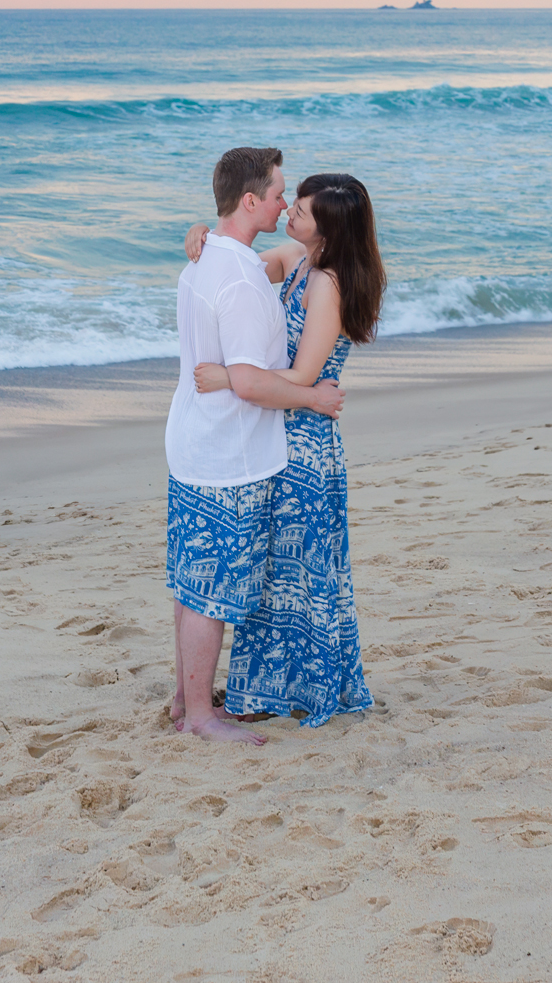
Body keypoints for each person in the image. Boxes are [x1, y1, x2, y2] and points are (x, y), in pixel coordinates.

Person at [184, 172, 384, 727]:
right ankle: (270, 690)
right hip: (285, 429)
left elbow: (304, 374)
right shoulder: (301, 258)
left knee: (293, 570)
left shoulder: (329, 284)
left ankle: (293, 690)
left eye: (301, 209)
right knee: (277, 570)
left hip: (303, 441)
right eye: (290, 203)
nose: (290, 212)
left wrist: (231, 377)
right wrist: (207, 234)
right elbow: (254, 266)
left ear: (330, 229)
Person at [165, 146, 345, 746]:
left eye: (296, 202)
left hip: (199, 441)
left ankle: (189, 698)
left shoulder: (214, 263)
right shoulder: (241, 275)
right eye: (278, 195)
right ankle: (199, 713)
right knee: (211, 592)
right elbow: (249, 380)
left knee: (196, 583)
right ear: (250, 200)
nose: (284, 206)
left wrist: (203, 232)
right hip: (233, 452)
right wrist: (314, 398)